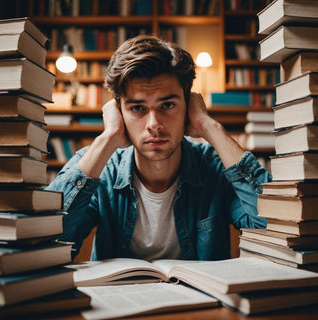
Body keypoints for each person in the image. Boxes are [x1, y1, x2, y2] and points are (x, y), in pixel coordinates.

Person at [47, 35, 271, 262]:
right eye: (137, 108)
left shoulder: (215, 167)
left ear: (188, 106)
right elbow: (46, 246)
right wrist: (109, 137)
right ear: (119, 112)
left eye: (167, 105)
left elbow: (272, 229)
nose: (153, 124)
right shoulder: (99, 167)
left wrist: (208, 125)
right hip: (118, 297)